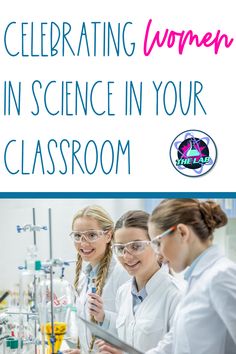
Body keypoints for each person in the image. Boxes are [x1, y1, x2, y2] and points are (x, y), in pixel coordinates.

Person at [146, 199, 236, 354]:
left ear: (182, 232)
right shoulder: (195, 279)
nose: (158, 254)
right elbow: (174, 342)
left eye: (159, 243)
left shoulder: (220, 276)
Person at [94, 210, 181, 353]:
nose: (127, 257)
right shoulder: (123, 292)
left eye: (136, 246)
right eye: (120, 248)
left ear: (156, 244)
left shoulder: (175, 296)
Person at [64, 205, 129, 354]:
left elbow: (133, 329)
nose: (83, 243)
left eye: (92, 235)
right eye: (77, 236)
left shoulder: (122, 273)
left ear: (108, 235)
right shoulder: (84, 276)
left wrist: (104, 316)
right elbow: (89, 331)